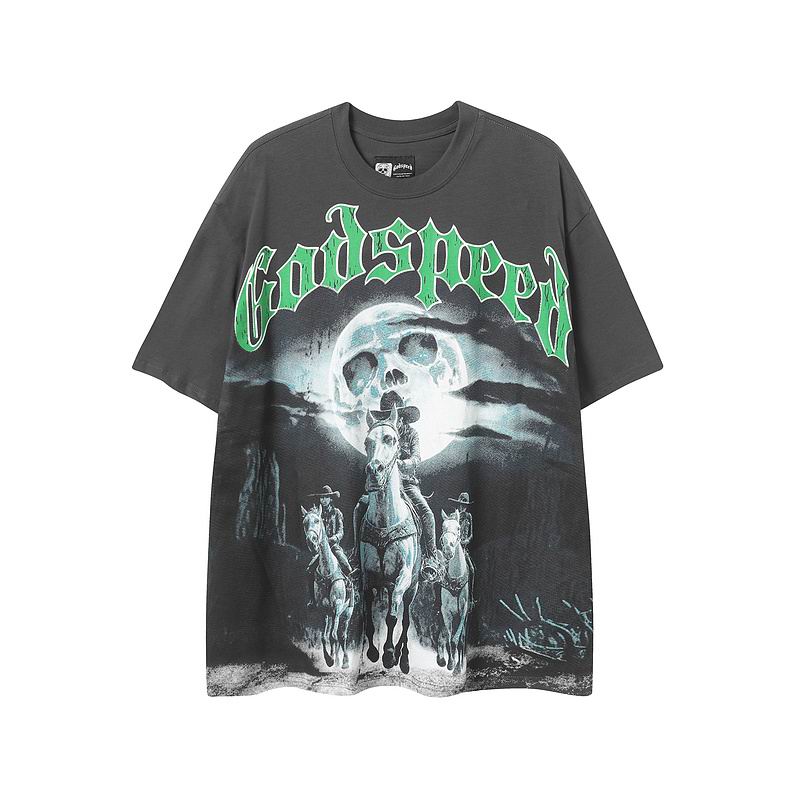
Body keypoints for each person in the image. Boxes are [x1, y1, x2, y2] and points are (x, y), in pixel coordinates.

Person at [357, 391, 438, 581]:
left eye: (395, 416)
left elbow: (417, 457)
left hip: (407, 483)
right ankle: (355, 555)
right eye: (387, 416)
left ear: (402, 417)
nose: (393, 419)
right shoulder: (381, 432)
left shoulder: (411, 434)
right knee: (359, 507)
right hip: (382, 483)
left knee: (426, 513)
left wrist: (403, 464)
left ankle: (431, 557)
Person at [306, 485, 353, 607]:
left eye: (326, 497)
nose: (323, 500)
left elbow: (341, 531)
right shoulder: (317, 515)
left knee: (347, 567)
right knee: (310, 569)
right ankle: (312, 599)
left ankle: (350, 596)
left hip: (333, 546)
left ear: (330, 499)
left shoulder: (336, 513)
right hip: (321, 549)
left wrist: (334, 538)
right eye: (321, 498)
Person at [449, 492, 476, 602]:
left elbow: (471, 534)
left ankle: (471, 598)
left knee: (472, 570)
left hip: (464, 548)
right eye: (461, 505)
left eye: (464, 505)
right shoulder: (452, 516)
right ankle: (437, 600)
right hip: (453, 547)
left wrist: (466, 541)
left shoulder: (469, 517)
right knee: (442, 570)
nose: (462, 507)